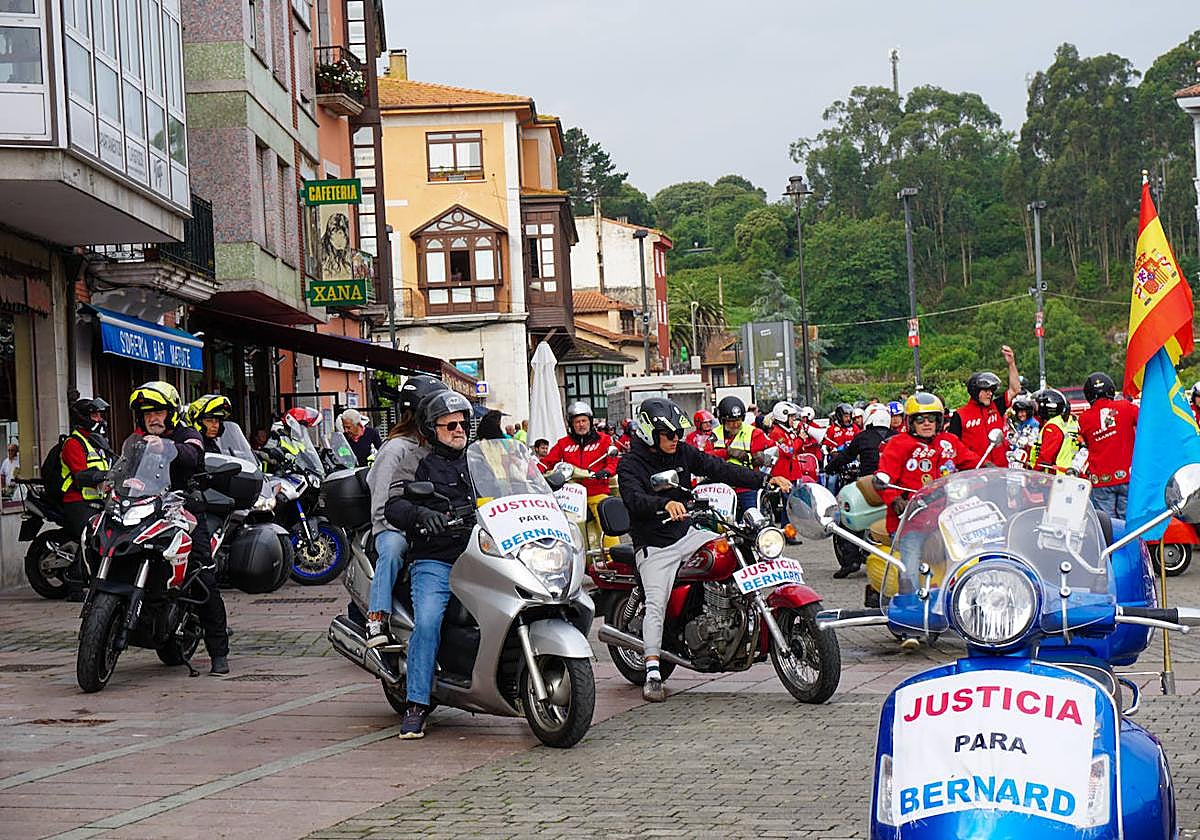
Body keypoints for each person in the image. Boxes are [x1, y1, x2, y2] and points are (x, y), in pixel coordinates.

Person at [617, 398, 792, 702]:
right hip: (655, 544)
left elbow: (719, 467)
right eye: (669, 435)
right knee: (656, 604)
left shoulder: (682, 452)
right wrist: (664, 503)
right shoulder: (631, 464)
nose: (676, 439)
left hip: (686, 534)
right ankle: (653, 671)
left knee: (729, 548)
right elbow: (634, 499)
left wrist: (765, 479)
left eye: (678, 434)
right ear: (649, 433)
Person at [383, 390, 476, 738]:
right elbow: (394, 503)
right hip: (436, 557)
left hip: (481, 554)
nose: (458, 430)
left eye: (462, 424)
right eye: (449, 425)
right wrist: (420, 513)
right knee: (428, 621)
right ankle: (417, 704)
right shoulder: (416, 461)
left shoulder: (480, 459)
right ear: (431, 428)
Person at [128, 381, 230, 675]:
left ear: (171, 413)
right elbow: (122, 468)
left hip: (184, 513)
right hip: (145, 512)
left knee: (203, 578)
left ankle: (218, 652)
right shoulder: (136, 439)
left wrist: (166, 446)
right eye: (147, 413)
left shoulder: (188, 434)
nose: (152, 418)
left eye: (158, 411)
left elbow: (192, 454)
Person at [875, 393, 979, 644]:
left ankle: (973, 612)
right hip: (910, 521)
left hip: (947, 521)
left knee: (972, 558)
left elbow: (974, 463)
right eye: (920, 419)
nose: (927, 423)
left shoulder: (949, 442)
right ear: (910, 422)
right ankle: (908, 624)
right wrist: (895, 499)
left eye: (932, 418)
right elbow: (882, 477)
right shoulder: (898, 445)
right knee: (908, 564)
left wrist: (993, 471)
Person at [363, 375, 446, 648]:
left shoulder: (435, 447)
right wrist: (396, 523)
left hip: (427, 523)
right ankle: (376, 617)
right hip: (392, 526)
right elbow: (381, 496)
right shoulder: (396, 448)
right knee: (393, 550)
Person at [825, 403, 898, 578]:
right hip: (896, 487)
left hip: (871, 487)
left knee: (848, 518)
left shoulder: (863, 437)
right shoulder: (897, 437)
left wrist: (829, 468)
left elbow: (846, 456)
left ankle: (851, 561)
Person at [541, 401, 619, 556]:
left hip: (596, 491)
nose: (581, 425)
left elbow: (613, 462)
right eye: (577, 422)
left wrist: (606, 471)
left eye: (584, 421)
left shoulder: (603, 440)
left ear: (590, 421)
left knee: (607, 521)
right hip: (571, 495)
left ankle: (614, 557)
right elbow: (547, 462)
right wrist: (533, 472)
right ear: (571, 424)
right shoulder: (564, 443)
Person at [1077, 372, 1138, 519]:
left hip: (1101, 481)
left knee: (1108, 526)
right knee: (1130, 523)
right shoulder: (1127, 407)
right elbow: (1147, 426)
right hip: (1128, 477)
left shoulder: (1083, 419)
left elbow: (1081, 442)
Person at [947, 347, 1021, 468]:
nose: (990, 394)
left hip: (1000, 471)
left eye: (991, 390)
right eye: (986, 390)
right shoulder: (960, 415)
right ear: (975, 391)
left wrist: (1011, 363)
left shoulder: (996, 406)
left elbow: (1015, 389)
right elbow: (953, 448)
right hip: (975, 475)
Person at [59, 397, 113, 550]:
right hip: (78, 501)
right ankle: (79, 572)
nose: (100, 419)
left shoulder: (96, 441)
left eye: (99, 415)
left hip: (100, 500)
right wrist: (103, 475)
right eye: (95, 415)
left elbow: (114, 464)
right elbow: (82, 474)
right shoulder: (73, 443)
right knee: (91, 540)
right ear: (83, 417)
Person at [714, 395, 771, 514]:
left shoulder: (754, 433)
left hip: (747, 486)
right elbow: (706, 456)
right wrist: (727, 453)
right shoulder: (714, 434)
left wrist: (763, 458)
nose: (735, 424)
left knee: (753, 519)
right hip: (721, 488)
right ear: (722, 420)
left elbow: (773, 451)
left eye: (738, 420)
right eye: (731, 421)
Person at [1030, 389, 1079, 474]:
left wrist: (1033, 474)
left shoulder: (1052, 427)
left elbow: (1045, 457)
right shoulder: (1064, 423)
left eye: (1038, 405)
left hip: (1054, 476)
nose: (1036, 409)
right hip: (1066, 473)